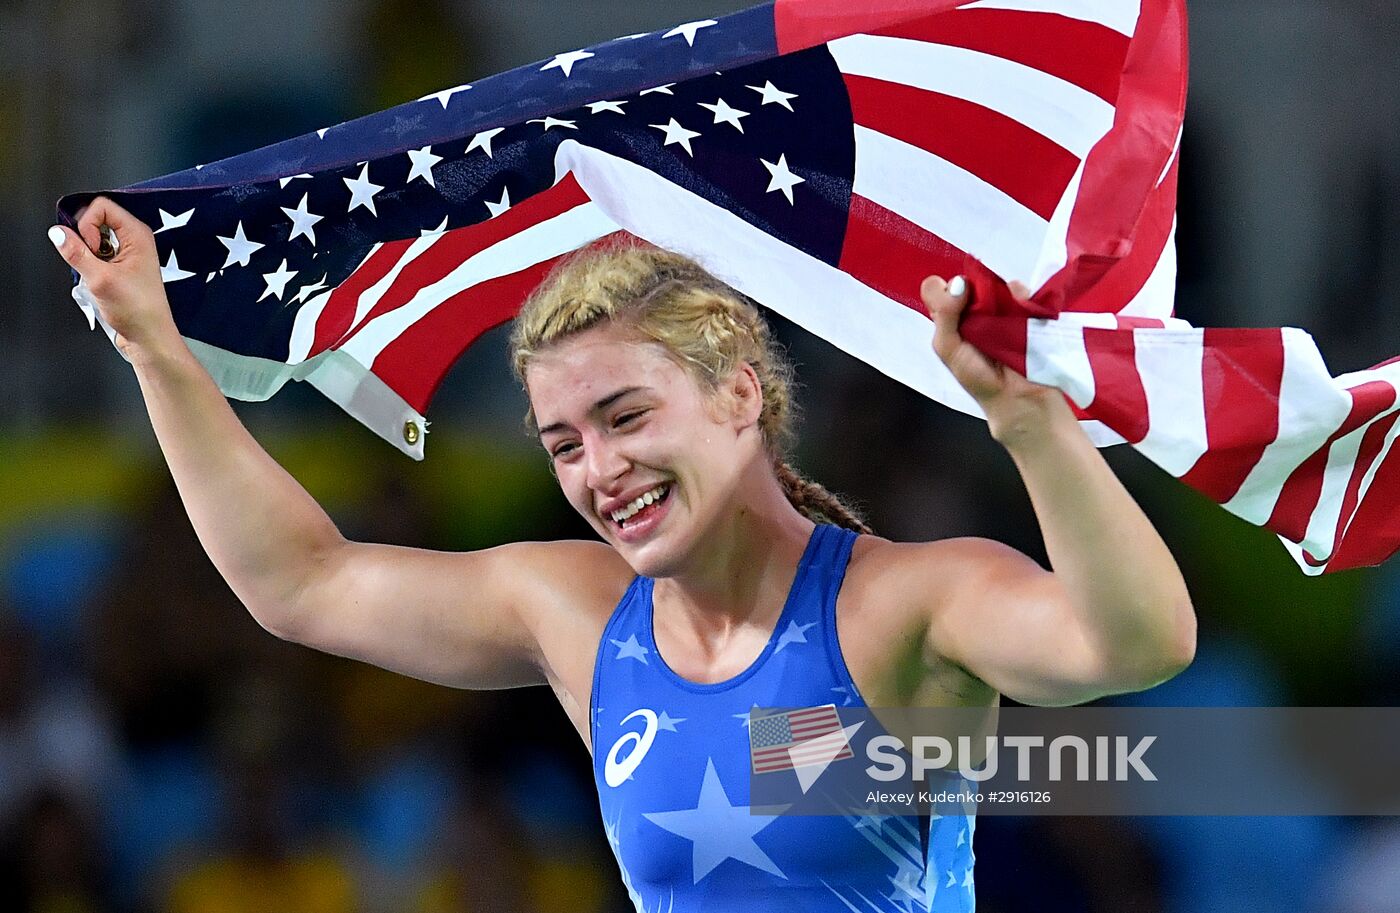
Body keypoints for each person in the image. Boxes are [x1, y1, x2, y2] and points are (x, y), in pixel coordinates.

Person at [49, 197, 1196, 912]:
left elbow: (1134, 641)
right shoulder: (578, 614)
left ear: (739, 393)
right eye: (563, 442)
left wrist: (1033, 428)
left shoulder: (905, 605)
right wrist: (155, 347)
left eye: (626, 416)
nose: (599, 470)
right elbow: (301, 580)